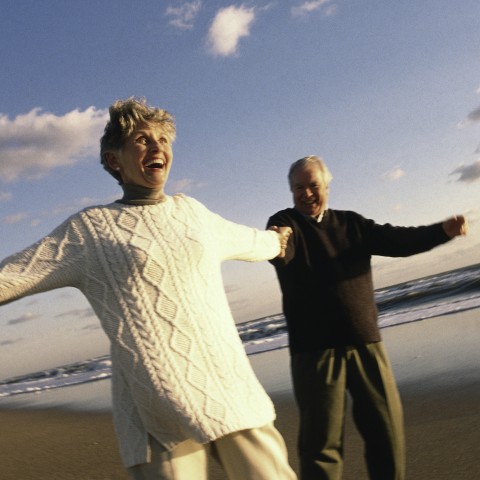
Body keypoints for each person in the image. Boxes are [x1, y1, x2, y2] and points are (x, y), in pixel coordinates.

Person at [0, 97, 297, 480]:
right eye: (142, 139)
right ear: (114, 160)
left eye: (164, 140)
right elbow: (12, 275)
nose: (157, 147)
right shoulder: (89, 230)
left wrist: (278, 238)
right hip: (152, 406)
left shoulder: (192, 213)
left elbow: (254, 242)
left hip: (226, 384)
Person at [266, 155, 468, 480]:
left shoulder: (351, 223)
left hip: (365, 341)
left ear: (327, 186)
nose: (306, 194)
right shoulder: (284, 221)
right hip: (314, 351)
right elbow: (282, 249)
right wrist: (277, 242)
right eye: (298, 188)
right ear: (291, 191)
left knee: (386, 429)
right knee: (321, 443)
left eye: (313, 185)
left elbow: (398, 240)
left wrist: (441, 232)